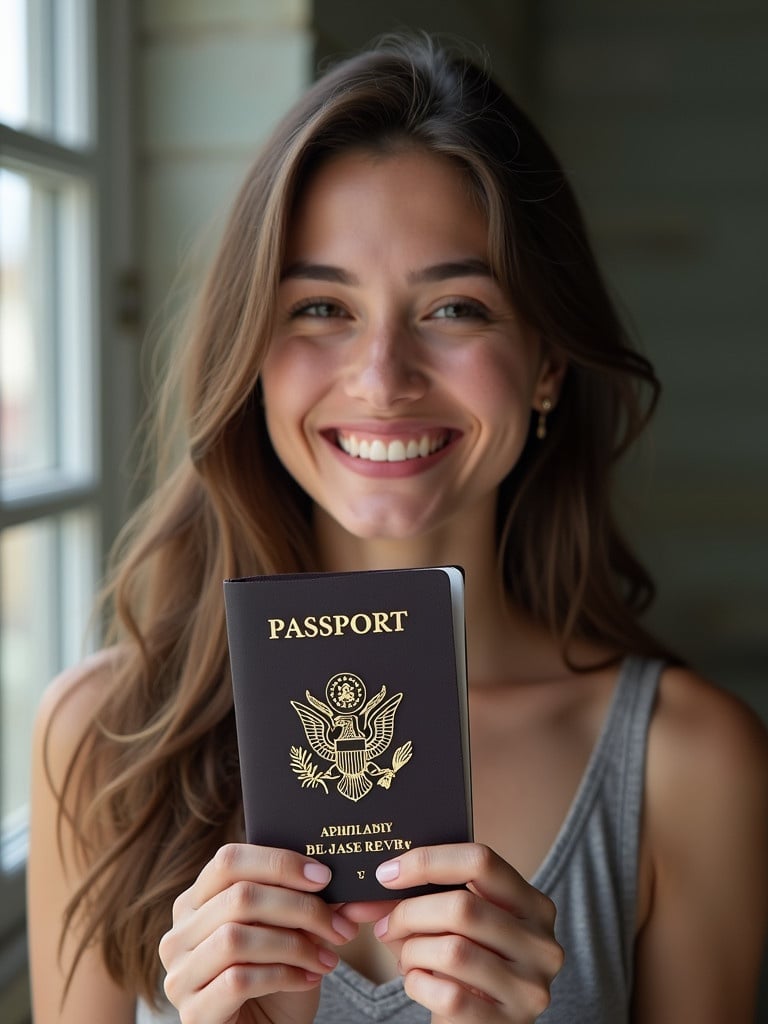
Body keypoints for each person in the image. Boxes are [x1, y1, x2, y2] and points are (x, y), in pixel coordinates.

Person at [28, 33, 768, 1024]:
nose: (383, 375)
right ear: (250, 353)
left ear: (547, 362)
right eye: (322, 306)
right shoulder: (101, 739)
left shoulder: (691, 765)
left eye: (455, 306)